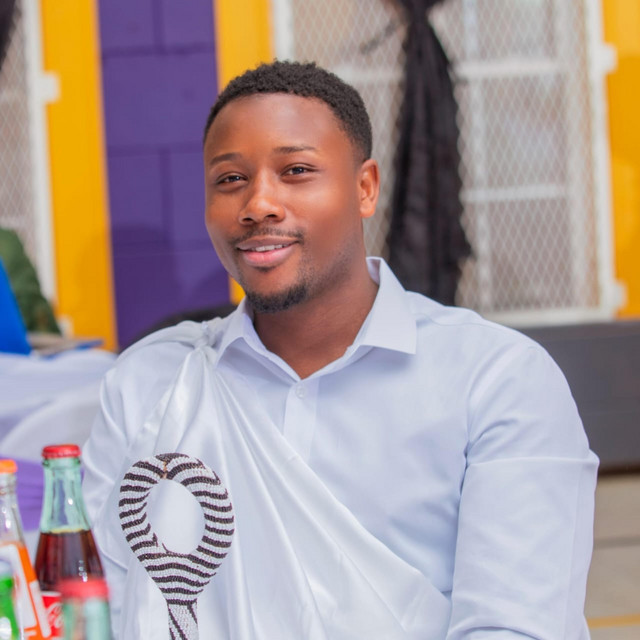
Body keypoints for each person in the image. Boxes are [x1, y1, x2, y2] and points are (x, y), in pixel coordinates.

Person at [83, 61, 598, 639]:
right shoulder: (151, 385)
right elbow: (96, 605)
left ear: (364, 188)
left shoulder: (496, 380)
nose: (259, 203)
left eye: (296, 170)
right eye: (230, 179)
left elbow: (516, 626)